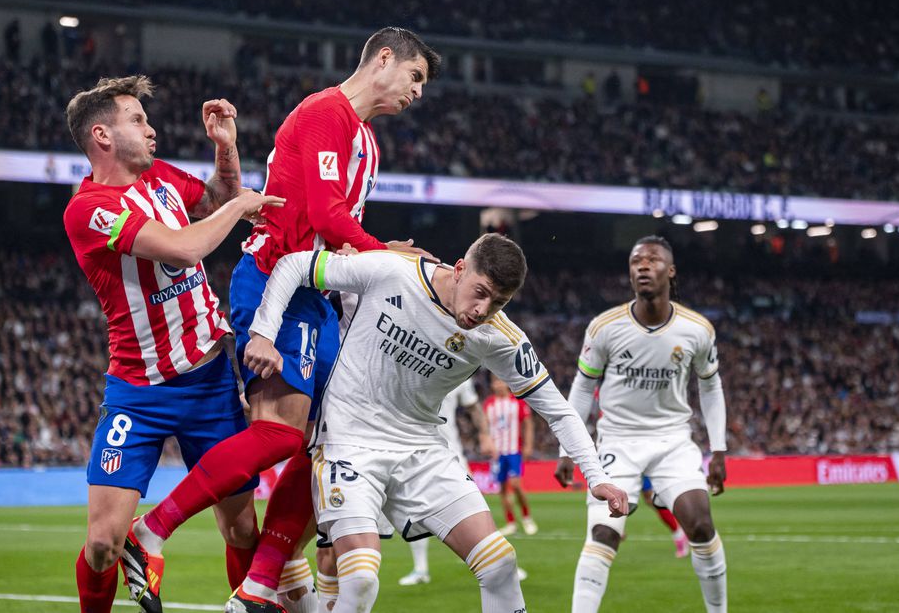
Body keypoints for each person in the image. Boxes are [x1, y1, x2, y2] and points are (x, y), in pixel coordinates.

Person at [127, 27, 441, 613]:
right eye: (415, 76)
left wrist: (372, 257)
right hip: (278, 281)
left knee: (324, 444)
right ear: (384, 59)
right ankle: (151, 530)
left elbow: (337, 227)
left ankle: (261, 585)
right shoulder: (326, 113)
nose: (417, 91)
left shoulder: (365, 139)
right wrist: (386, 257)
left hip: (317, 295)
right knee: (281, 434)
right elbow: (324, 213)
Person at [244, 234, 629, 612]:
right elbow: (295, 265)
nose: (483, 310)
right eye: (480, 292)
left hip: (422, 452)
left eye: (499, 302)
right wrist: (263, 333)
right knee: (360, 578)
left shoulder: (499, 337)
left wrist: (597, 477)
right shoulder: (393, 272)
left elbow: (559, 409)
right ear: (460, 269)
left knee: (500, 564)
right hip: (349, 444)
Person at [62, 75, 283, 613]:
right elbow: (186, 248)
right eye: (137, 119)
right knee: (101, 546)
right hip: (140, 393)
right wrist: (243, 207)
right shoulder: (88, 208)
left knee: (240, 531)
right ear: (102, 136)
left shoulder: (160, 177)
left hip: (210, 383)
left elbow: (214, 200)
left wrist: (226, 147)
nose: (151, 128)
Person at [554, 235, 728, 613]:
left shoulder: (697, 330)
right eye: (636, 261)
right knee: (603, 533)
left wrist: (718, 450)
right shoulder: (605, 327)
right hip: (617, 442)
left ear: (671, 271)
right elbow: (583, 387)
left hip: (673, 442)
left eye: (652, 260)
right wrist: (567, 448)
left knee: (700, 525)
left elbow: (711, 386)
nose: (643, 266)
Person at [398, 378, 485, 586]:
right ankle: (421, 570)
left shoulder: (461, 366)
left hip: (451, 453)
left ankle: (496, 562)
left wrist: (485, 435)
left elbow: (473, 406)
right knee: (415, 511)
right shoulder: (407, 360)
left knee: (476, 508)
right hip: (414, 452)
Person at [483, 376, 538, 537]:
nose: (498, 385)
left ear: (506, 383)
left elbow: (528, 424)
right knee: (502, 488)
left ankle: (527, 518)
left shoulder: (517, 402)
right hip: (497, 453)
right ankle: (511, 522)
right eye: (495, 382)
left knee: (516, 485)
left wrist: (528, 445)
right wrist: (487, 443)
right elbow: (484, 426)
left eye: (501, 381)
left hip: (514, 450)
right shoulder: (489, 404)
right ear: (492, 385)